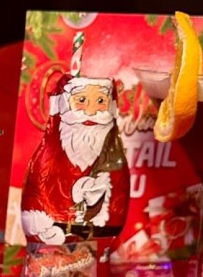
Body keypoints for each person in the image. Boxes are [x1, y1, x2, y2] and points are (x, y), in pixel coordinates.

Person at [21, 73, 130, 245]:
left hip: (99, 239)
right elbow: (36, 192)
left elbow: (118, 199)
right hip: (51, 238)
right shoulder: (49, 156)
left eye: (101, 101)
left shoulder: (113, 159)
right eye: (81, 100)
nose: (90, 112)